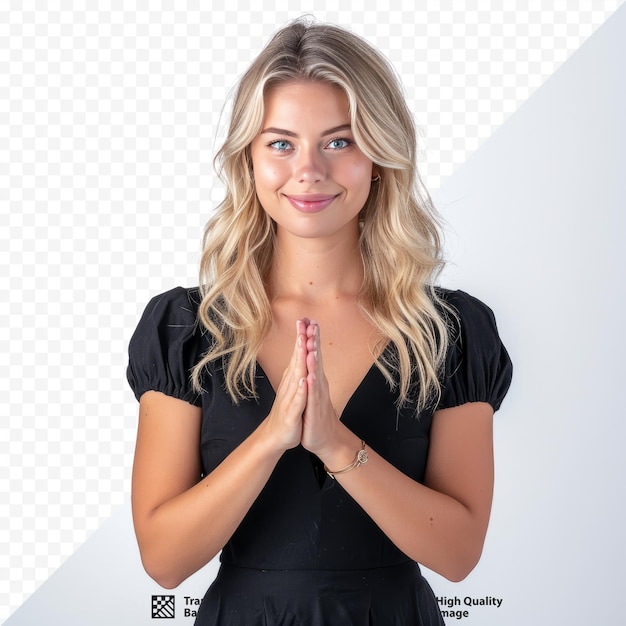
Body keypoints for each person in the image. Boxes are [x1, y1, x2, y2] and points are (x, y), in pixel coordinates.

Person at [127, 18, 512, 625]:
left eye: (340, 141)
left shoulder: (451, 332)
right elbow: (165, 560)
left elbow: (459, 555)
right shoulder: (185, 330)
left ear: (380, 157)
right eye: (280, 143)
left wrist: (336, 443)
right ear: (249, 161)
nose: (309, 170)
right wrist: (272, 437)